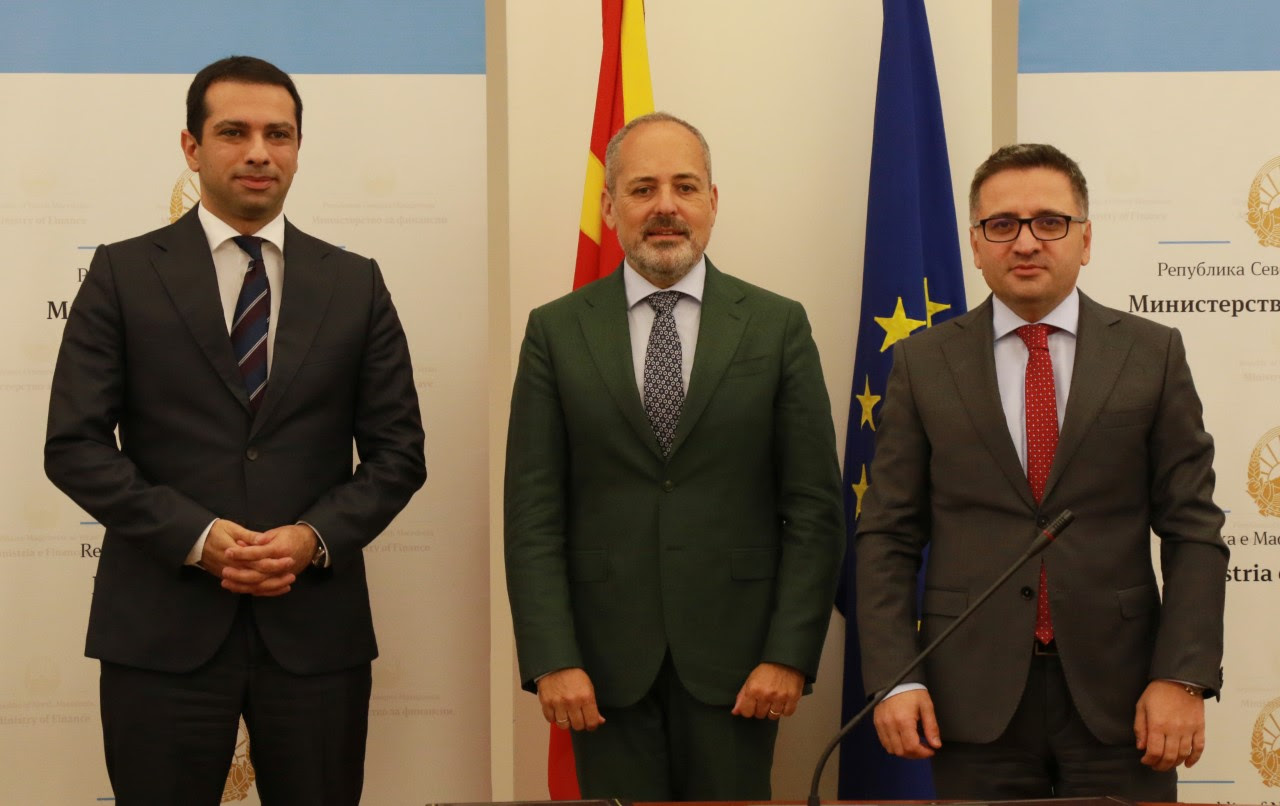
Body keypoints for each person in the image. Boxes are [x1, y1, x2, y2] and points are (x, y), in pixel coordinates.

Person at [44, 55, 426, 804]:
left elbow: (398, 454)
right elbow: (74, 446)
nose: (259, 152)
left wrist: (313, 538)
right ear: (192, 148)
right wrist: (196, 536)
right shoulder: (122, 274)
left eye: (278, 134)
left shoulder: (355, 283)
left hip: (315, 634)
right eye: (234, 132)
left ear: (298, 147)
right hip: (160, 631)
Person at [855, 143, 1227, 800]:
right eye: (1003, 224)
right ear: (976, 244)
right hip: (968, 698)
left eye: (1050, 222)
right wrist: (896, 676)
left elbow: (1193, 528)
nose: (1026, 242)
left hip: (1124, 698)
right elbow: (887, 534)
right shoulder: (923, 363)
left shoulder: (1152, 353)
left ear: (1086, 240)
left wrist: (1183, 676)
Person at [504, 112, 844, 800]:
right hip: (601, 674)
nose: (666, 206)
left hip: (742, 669)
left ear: (712, 202)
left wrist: (788, 655)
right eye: (643, 189)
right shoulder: (556, 331)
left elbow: (814, 509)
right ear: (609, 208)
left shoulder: (777, 326)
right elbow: (533, 514)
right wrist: (551, 659)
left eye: (685, 187)